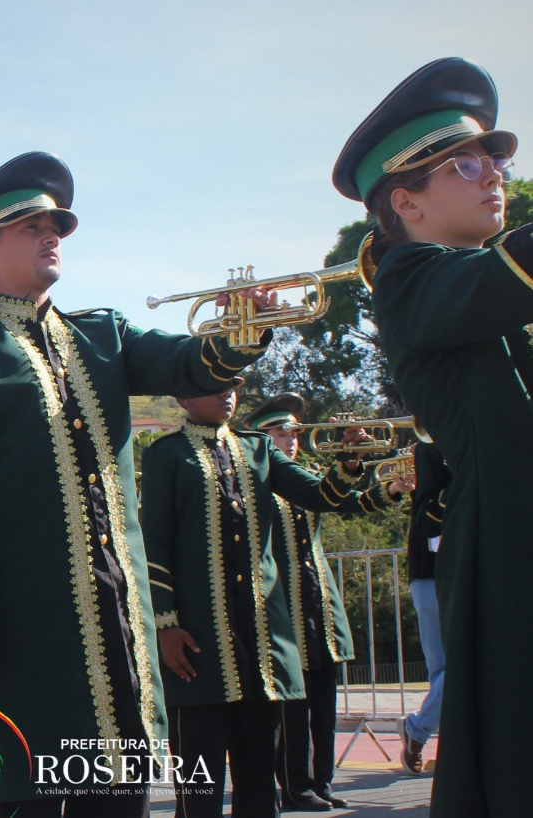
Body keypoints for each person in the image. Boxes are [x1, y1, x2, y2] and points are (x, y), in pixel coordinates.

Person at [0, 151, 274, 816]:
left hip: (119, 611)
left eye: (56, 225)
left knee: (121, 790)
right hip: (23, 619)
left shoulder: (104, 333)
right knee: (33, 791)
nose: (51, 234)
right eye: (31, 226)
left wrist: (242, 331)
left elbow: (192, 365)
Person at [332, 56, 530, 817]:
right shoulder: (410, 277)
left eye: (497, 158)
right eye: (467, 164)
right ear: (406, 201)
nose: (496, 174)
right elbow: (498, 280)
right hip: (510, 542)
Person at [141, 386, 400, 817]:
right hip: (198, 642)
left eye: (232, 387)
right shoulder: (166, 455)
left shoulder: (258, 448)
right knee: (200, 787)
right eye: (214, 387)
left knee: (260, 780)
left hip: (262, 640)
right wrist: (165, 625)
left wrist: (349, 463)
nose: (227, 395)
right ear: (184, 398)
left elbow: (320, 496)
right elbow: (155, 545)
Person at [243, 393, 410, 810]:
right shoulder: (254, 483)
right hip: (281, 602)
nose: (291, 440)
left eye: (294, 433)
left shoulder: (311, 477)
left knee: (323, 702)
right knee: (292, 706)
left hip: (319, 601)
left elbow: (350, 504)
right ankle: (294, 786)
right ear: (261, 439)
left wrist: (391, 487)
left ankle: (322, 781)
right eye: (281, 433)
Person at [397, 440, 451, 776]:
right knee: (447, 671)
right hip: (429, 574)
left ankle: (417, 731)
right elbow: (429, 518)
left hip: (460, 574)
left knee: (454, 670)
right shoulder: (430, 452)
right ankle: (417, 731)